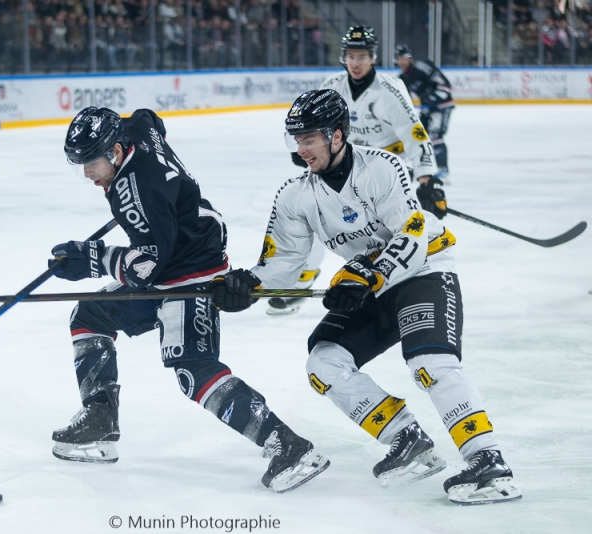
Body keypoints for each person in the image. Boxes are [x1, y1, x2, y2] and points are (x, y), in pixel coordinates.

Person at [208, 89, 521, 505]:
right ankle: (406, 438)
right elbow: (282, 262)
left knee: (430, 362)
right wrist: (247, 284)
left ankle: (488, 461)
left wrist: (370, 274)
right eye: (295, 140)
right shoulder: (295, 195)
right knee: (324, 362)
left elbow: (412, 235)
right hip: (368, 284)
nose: (301, 150)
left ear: (337, 135)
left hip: (421, 270)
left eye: (309, 139)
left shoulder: (383, 167)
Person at [49, 106, 329, 493]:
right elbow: (150, 118)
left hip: (191, 270)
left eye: (91, 164)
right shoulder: (135, 129)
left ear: (115, 151)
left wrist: (90, 256)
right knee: (90, 315)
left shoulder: (138, 191)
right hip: (178, 247)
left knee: (192, 368)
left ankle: (288, 446)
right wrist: (170, 202)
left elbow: (145, 265)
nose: (86, 174)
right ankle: (100, 420)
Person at [267, 27, 447, 316]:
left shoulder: (389, 90)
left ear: (372, 57)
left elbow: (414, 133)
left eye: (362, 56)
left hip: (382, 170)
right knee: (315, 215)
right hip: (340, 164)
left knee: (378, 230)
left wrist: (427, 178)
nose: (356, 63)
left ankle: (389, 274)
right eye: (350, 56)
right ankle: (303, 280)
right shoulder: (333, 85)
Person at [395, 44, 454, 183]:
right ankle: (419, 168)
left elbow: (445, 86)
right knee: (419, 136)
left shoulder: (422, 67)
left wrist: (434, 100)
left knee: (435, 136)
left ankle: (443, 170)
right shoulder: (403, 78)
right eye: (399, 58)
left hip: (442, 105)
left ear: (411, 58)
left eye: (405, 57)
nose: (402, 61)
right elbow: (405, 99)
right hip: (427, 108)